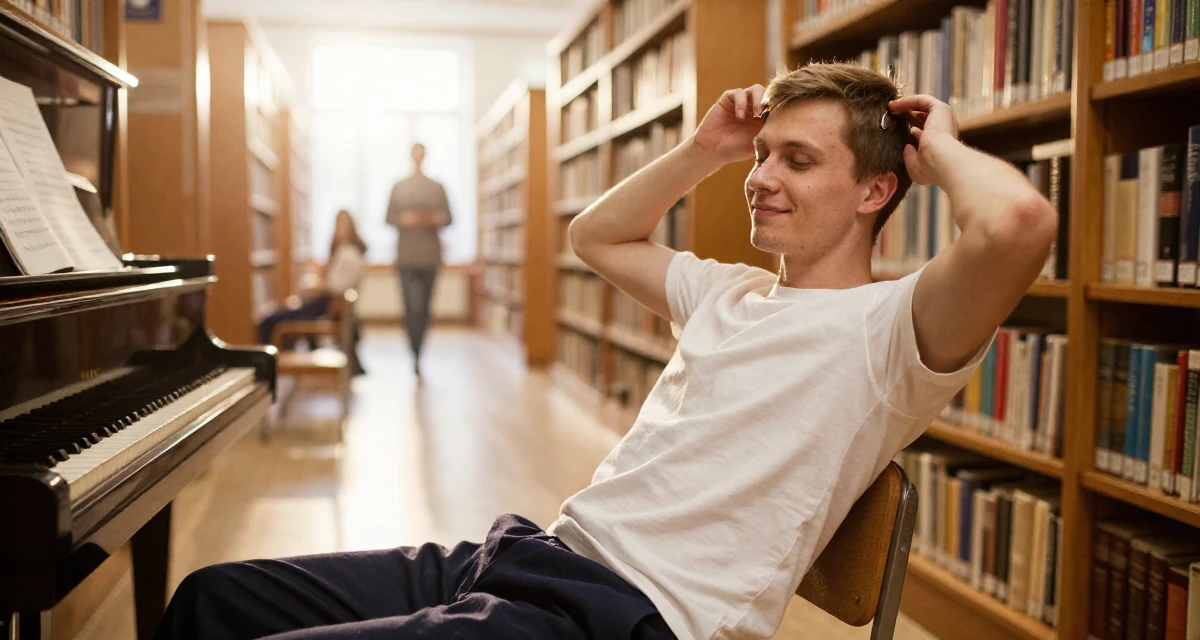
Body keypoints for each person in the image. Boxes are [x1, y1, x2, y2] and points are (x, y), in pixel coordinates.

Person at [154, 63, 1057, 640]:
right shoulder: (727, 291)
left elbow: (1017, 222)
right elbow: (595, 235)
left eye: (797, 160)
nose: (760, 176)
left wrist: (941, 145)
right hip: (531, 557)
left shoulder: (893, 332)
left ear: (877, 191)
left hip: (625, 620)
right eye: (762, 154)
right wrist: (704, 148)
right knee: (212, 599)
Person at [257, 210, 367, 369]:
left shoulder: (347, 254)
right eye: (337, 225)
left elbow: (336, 286)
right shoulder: (346, 252)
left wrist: (316, 285)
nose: (338, 230)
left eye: (342, 225)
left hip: (324, 305)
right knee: (281, 314)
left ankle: (267, 370)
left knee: (271, 321)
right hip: (323, 303)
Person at [385, 143, 453, 377]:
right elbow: (389, 217)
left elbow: (449, 217)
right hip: (406, 256)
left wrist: (433, 219)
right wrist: (406, 220)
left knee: (424, 307)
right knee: (410, 307)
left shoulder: (437, 187)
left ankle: (419, 351)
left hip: (430, 256)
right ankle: (413, 350)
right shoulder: (399, 187)